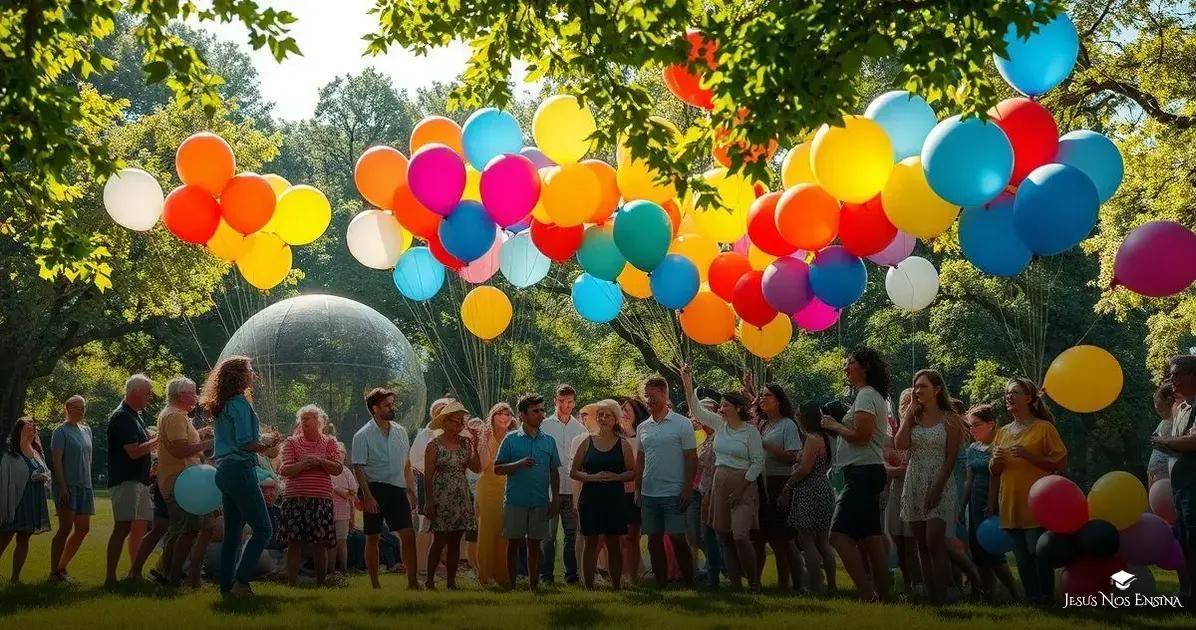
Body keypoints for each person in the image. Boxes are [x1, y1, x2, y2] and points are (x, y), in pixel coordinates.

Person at [203, 356, 281, 597]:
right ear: (238, 375)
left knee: (234, 535)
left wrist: (263, 441)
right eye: (249, 370)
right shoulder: (239, 403)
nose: (253, 375)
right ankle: (241, 581)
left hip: (225, 471)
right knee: (263, 529)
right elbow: (245, 442)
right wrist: (265, 445)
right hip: (240, 471)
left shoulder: (223, 404)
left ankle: (226, 587)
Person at [681, 364, 764, 592]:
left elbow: (758, 462)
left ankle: (754, 582)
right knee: (724, 535)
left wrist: (742, 486)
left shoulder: (750, 431)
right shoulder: (720, 425)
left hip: (743, 483)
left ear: (737, 408)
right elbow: (697, 411)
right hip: (719, 481)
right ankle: (736, 583)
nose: (721, 410)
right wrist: (687, 382)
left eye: (725, 406)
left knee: (739, 535)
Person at [820, 347, 891, 602]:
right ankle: (884, 596)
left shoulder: (866, 395)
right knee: (871, 538)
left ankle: (866, 593)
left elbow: (861, 437)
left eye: (850, 363)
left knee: (837, 536)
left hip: (863, 473)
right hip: (866, 471)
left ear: (865, 367)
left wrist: (834, 425)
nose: (845, 367)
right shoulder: (868, 396)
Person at [990, 377, 1067, 605]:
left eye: (1015, 392)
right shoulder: (1002, 432)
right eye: (1007, 393)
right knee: (1021, 558)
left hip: (1036, 502)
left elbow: (1060, 461)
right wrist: (994, 461)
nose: (1009, 396)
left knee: (1037, 552)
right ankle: (1033, 598)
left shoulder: (1044, 428)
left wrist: (1030, 456)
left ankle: (1045, 595)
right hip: (1010, 501)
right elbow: (994, 470)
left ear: (1030, 398)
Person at [894, 370, 962, 605]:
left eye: (922, 386)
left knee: (934, 540)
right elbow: (900, 444)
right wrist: (908, 415)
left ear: (937, 390)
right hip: (914, 479)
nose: (917, 390)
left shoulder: (949, 419)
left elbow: (951, 457)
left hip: (939, 480)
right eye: (915, 386)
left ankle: (944, 594)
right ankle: (932, 596)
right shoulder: (913, 416)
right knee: (921, 543)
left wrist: (937, 488)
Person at [143, 378, 213, 586]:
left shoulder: (177, 415)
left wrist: (199, 435)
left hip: (185, 481)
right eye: (193, 393)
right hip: (180, 482)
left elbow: (180, 444)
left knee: (184, 529)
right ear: (181, 395)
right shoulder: (174, 416)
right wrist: (209, 442)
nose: (196, 397)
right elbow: (180, 450)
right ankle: (173, 579)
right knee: (187, 530)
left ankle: (166, 573)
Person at [352, 387, 420, 590]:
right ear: (375, 408)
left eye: (393, 404)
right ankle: (375, 584)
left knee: (408, 534)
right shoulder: (362, 435)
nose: (392, 408)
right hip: (374, 489)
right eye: (387, 405)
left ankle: (413, 582)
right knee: (372, 537)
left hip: (398, 489)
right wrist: (368, 496)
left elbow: (406, 464)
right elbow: (358, 468)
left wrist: (411, 489)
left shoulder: (400, 431)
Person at [495, 393, 561, 589]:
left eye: (542, 410)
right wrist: (519, 464)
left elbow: (554, 472)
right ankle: (512, 585)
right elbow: (497, 469)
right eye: (535, 411)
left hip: (540, 500)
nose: (540, 414)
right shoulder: (510, 439)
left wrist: (555, 498)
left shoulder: (549, 441)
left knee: (535, 544)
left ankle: (534, 586)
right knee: (513, 544)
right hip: (516, 500)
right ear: (522, 415)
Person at [637, 375, 698, 586]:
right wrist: (638, 490)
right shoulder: (643, 427)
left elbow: (691, 457)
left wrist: (687, 487)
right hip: (649, 493)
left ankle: (689, 580)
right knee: (653, 541)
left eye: (652, 396)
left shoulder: (682, 424)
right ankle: (661, 582)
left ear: (664, 395)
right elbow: (640, 460)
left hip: (674, 492)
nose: (648, 400)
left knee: (677, 538)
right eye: (645, 396)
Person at [571, 399, 635, 590]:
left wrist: (616, 477)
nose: (603, 418)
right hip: (590, 498)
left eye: (607, 415)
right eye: (600, 415)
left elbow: (632, 471)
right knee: (590, 541)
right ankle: (588, 586)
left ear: (615, 419)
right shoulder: (586, 442)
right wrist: (591, 478)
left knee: (614, 542)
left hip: (614, 499)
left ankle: (616, 586)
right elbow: (574, 471)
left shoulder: (623, 444)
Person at [105, 373, 159, 587]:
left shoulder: (135, 415)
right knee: (122, 527)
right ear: (135, 392)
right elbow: (134, 452)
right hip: (126, 479)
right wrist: (159, 439)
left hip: (139, 480)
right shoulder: (122, 417)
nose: (149, 398)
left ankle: (134, 573)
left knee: (139, 526)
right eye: (147, 393)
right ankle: (110, 577)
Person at [278, 405, 342, 586]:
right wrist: (304, 464)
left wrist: (320, 461)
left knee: (319, 543)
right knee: (294, 542)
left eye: (308, 418)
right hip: (295, 499)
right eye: (302, 418)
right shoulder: (291, 442)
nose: (304, 421)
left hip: (321, 499)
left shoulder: (329, 442)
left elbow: (337, 468)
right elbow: (285, 469)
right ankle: (292, 583)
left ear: (319, 422)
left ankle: (321, 583)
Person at [1152, 354, 1196, 606]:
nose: (1171, 379)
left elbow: (1193, 441)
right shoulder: (1181, 409)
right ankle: (1189, 594)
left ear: (1193, 375)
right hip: (1182, 488)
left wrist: (1165, 441)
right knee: (1186, 542)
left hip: (1194, 487)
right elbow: (1182, 445)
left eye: (1176, 374)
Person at [423, 401, 481, 590]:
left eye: (461, 422)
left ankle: (451, 582)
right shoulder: (434, 445)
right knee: (440, 540)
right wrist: (429, 501)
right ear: (445, 423)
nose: (459, 425)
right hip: (441, 495)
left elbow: (476, 467)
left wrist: (476, 443)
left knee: (456, 540)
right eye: (455, 422)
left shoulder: (465, 443)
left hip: (461, 495)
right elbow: (428, 475)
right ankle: (430, 580)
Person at [963, 404, 1018, 601]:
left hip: (994, 502)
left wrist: (992, 503)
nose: (972, 430)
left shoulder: (1000, 447)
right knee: (978, 550)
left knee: (993, 551)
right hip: (976, 502)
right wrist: (963, 506)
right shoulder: (972, 449)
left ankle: (1015, 593)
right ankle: (987, 593)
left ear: (991, 424)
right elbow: (969, 480)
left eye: (976, 425)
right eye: (970, 426)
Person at [753, 382, 802, 591]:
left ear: (779, 400)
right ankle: (757, 583)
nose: (763, 399)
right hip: (760, 483)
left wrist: (766, 445)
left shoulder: (788, 425)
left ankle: (789, 585)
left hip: (779, 483)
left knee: (781, 539)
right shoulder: (762, 425)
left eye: (768, 396)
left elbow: (793, 457)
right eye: (762, 396)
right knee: (760, 537)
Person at [784, 402, 836, 594]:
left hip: (809, 489)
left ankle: (815, 586)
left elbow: (805, 469)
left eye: (800, 417)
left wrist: (788, 486)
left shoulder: (813, 439)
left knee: (807, 540)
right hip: (823, 487)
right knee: (823, 542)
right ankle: (832, 585)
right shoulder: (827, 437)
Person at [538, 384, 586, 584]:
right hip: (550, 489)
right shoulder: (544, 426)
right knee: (548, 536)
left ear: (574, 402)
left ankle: (571, 574)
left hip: (572, 489)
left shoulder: (580, 428)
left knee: (571, 534)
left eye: (570, 402)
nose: (566, 405)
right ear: (554, 401)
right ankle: (546, 575)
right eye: (562, 401)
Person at [0, 417, 51, 583]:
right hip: (16, 500)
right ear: (19, 431)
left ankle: (15, 578)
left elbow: (46, 471)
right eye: (27, 429)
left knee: (24, 539)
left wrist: (42, 477)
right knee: (5, 537)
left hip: (33, 500)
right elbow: (5, 479)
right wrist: (31, 476)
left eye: (32, 429)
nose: (31, 431)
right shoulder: (11, 454)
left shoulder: (36, 451)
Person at [49, 394, 93, 583]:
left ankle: (62, 566)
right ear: (67, 407)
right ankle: (54, 572)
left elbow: (88, 459)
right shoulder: (60, 431)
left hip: (85, 486)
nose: (81, 411)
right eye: (77, 407)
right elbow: (56, 461)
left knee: (83, 529)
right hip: (67, 486)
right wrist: (63, 487)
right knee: (65, 528)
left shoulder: (87, 430)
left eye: (83, 407)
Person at [883, 391, 920, 596]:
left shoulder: (922, 432)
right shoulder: (893, 435)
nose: (905, 407)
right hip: (896, 491)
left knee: (912, 542)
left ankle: (920, 583)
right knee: (898, 539)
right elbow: (884, 466)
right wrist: (896, 470)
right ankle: (907, 584)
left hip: (915, 491)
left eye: (910, 403)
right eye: (903, 403)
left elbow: (915, 468)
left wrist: (895, 470)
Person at [411, 396, 453, 576]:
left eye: (446, 409)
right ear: (432, 414)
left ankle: (440, 564)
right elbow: (415, 460)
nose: (442, 412)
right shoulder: (425, 434)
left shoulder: (454, 435)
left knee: (445, 527)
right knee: (426, 525)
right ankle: (421, 564)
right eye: (439, 409)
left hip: (449, 486)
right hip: (428, 484)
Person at [477, 403, 515, 586]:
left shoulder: (513, 437)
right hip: (488, 488)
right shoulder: (485, 436)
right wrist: (483, 442)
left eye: (508, 414)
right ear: (493, 416)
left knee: (504, 532)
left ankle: (501, 575)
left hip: (508, 489)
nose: (505, 417)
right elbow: (484, 466)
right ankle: (484, 575)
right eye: (500, 413)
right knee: (487, 531)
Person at [691, 395, 725, 589]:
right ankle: (717, 569)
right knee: (698, 535)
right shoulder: (700, 436)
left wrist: (709, 493)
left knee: (711, 535)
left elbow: (712, 467)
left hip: (712, 492)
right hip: (697, 490)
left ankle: (720, 572)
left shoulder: (718, 437)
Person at [618, 396, 649, 585]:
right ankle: (622, 574)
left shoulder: (642, 436)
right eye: (621, 410)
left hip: (637, 492)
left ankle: (635, 575)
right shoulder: (615, 438)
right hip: (617, 493)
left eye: (627, 410)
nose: (623, 414)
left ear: (636, 414)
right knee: (620, 537)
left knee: (632, 537)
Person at [329, 443, 358, 575]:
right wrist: (342, 491)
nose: (340, 455)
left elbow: (352, 490)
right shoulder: (328, 470)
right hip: (328, 510)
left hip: (343, 512)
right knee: (330, 542)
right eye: (338, 452)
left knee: (342, 541)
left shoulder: (346, 471)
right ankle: (330, 570)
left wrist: (343, 492)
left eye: (342, 452)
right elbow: (331, 488)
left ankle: (343, 569)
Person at [1149, 383, 1180, 488]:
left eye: (1156, 401)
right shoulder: (1164, 421)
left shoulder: (1180, 421)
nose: (1155, 406)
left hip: (1169, 478)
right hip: (1157, 480)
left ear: (1169, 400)